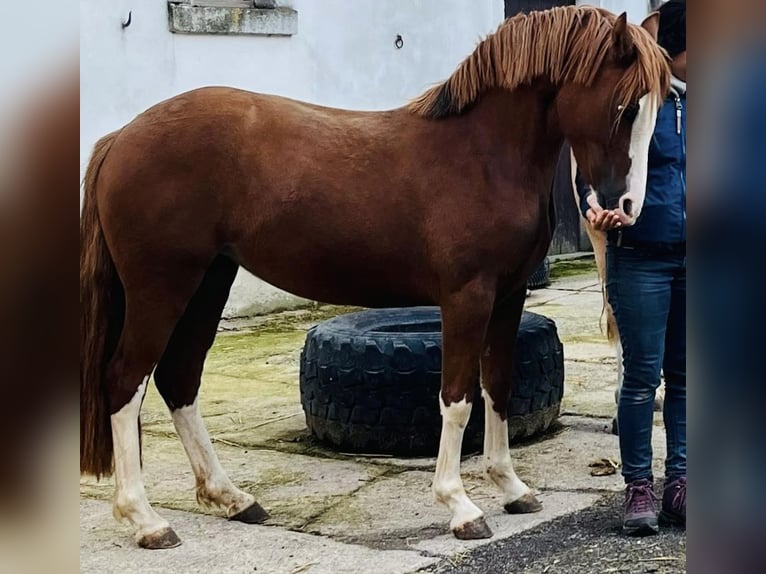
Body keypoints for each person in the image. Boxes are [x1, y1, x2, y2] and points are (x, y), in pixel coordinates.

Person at [575, 0, 686, 535]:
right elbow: (591, 167)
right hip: (641, 256)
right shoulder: (638, 98)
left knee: (688, 379)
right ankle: (638, 487)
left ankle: (681, 482)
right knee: (642, 378)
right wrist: (592, 203)